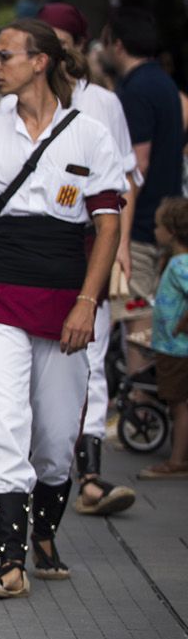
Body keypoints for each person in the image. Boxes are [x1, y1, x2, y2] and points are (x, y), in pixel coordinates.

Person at [0, 19, 124, 599]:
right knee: (6, 422)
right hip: (0, 295)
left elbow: (107, 224)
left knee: (54, 440)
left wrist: (87, 303)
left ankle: (44, 535)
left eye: (3, 55)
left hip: (66, 299)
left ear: (41, 61)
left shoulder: (89, 135)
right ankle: (10, 562)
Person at [34, 3, 139, 516]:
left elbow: (124, 181)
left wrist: (118, 244)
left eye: (58, 39)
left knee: (91, 361)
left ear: (78, 44)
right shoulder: (22, 102)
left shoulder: (104, 105)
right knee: (40, 363)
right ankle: (42, 467)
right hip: (34, 254)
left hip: (88, 247)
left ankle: (90, 476)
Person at [106, 7, 182, 300]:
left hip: (141, 226)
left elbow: (138, 165)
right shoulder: (164, 82)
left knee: (135, 319)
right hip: (164, 220)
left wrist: (122, 235)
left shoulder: (137, 90)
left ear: (119, 45)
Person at [138, 198, 188, 480]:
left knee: (177, 404)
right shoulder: (176, 262)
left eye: (158, 226)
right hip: (174, 347)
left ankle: (177, 460)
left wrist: (183, 323)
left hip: (175, 348)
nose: (154, 230)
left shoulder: (181, 264)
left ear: (170, 231)